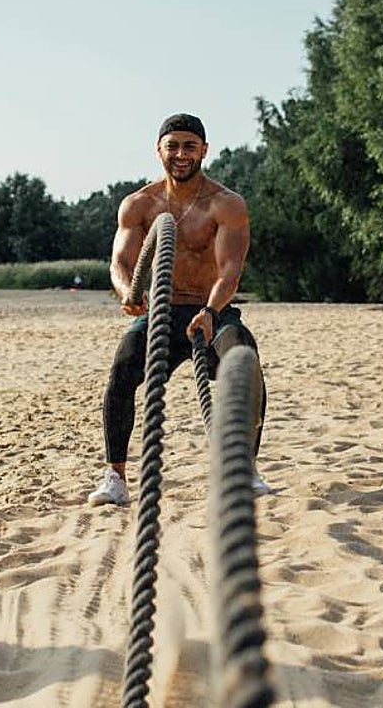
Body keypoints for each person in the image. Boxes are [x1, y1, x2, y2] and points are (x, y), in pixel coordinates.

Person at [88, 113, 269, 507]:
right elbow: (120, 263)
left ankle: (246, 469)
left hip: (212, 309)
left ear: (204, 150)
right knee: (123, 367)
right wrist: (128, 293)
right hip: (161, 313)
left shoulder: (226, 204)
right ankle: (115, 477)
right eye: (173, 146)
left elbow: (230, 271)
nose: (181, 154)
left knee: (244, 360)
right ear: (159, 151)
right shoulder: (139, 205)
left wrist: (209, 310)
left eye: (190, 146)